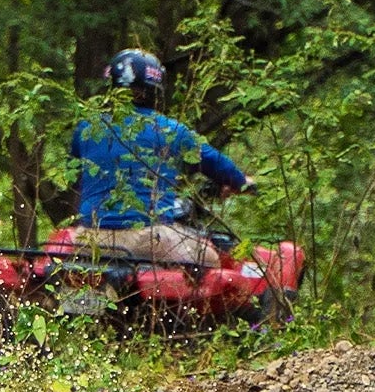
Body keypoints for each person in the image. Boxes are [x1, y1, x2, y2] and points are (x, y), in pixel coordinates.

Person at [70, 48, 253, 269]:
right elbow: (215, 162)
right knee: (212, 259)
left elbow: (77, 174)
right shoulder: (171, 130)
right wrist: (241, 182)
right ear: (155, 90)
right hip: (147, 238)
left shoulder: (86, 128)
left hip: (88, 238)